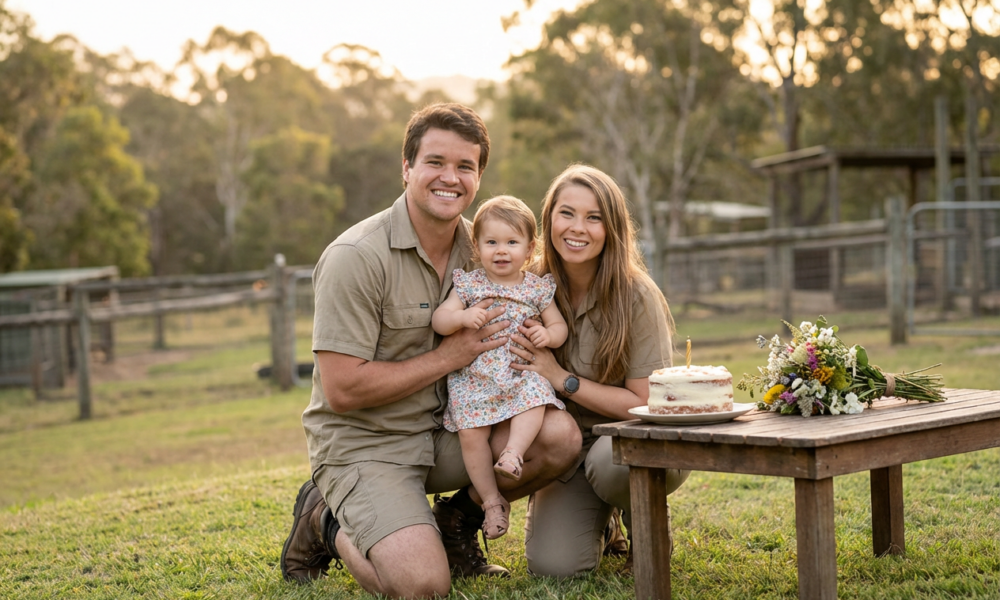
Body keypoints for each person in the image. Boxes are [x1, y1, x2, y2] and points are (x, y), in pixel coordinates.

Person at [278, 103, 581, 600]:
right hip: (370, 444)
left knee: (558, 436)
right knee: (421, 586)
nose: (450, 178)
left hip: (452, 428)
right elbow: (342, 390)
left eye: (465, 166)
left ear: (479, 176)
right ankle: (326, 520)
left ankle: (457, 523)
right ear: (407, 168)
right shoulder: (355, 258)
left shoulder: (484, 248)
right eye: (435, 162)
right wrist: (450, 356)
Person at [507, 164, 690, 577]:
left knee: (611, 463)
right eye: (566, 213)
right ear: (549, 217)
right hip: (567, 449)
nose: (578, 228)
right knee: (554, 567)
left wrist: (561, 379)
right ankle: (603, 524)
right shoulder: (527, 285)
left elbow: (646, 404)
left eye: (594, 217)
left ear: (612, 228)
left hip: (637, 440)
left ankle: (644, 525)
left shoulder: (636, 295)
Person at [432, 195, 569, 540]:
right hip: (476, 379)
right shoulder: (470, 285)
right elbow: (440, 319)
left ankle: (514, 453)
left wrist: (547, 335)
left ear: (530, 248)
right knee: (470, 433)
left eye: (512, 242)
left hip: (518, 372)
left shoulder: (536, 288)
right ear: (477, 247)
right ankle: (492, 501)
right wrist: (462, 316)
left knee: (536, 394)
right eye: (491, 242)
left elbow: (559, 327)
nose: (501, 250)